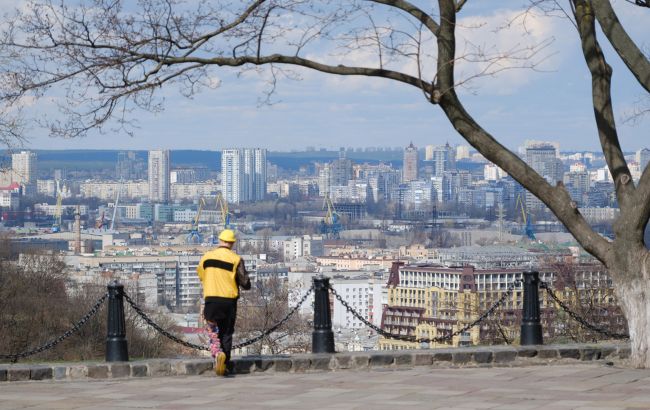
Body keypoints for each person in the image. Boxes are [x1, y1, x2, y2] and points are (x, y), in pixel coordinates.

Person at [197, 229, 251, 376]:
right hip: (229, 302)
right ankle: (225, 364)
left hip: (211, 300)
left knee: (213, 332)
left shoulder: (206, 257)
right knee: (226, 333)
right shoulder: (236, 259)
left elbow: (201, 275)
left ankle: (217, 354)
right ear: (232, 243)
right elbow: (245, 283)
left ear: (219, 240)